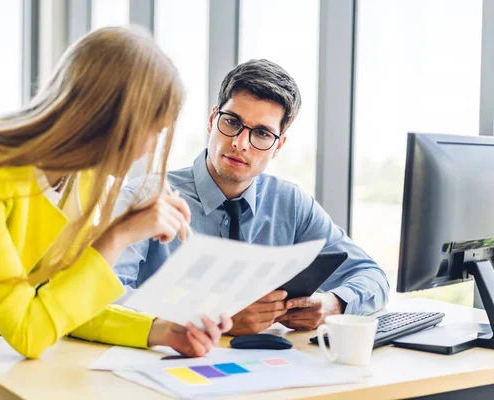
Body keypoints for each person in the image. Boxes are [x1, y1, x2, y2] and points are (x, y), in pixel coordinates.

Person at [0, 26, 232, 394]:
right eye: (150, 131)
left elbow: (58, 305)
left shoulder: (79, 180)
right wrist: (117, 235)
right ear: (108, 119)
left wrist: (158, 331)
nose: (149, 149)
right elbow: (29, 334)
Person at [113, 59, 389, 336]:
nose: (240, 143)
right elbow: (103, 299)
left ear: (278, 146)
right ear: (212, 120)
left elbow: (372, 276)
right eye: (232, 122)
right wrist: (207, 318)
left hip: (269, 370)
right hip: (166, 367)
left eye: (261, 133)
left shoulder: (291, 204)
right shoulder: (146, 198)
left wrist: (333, 304)